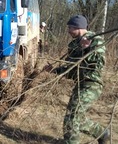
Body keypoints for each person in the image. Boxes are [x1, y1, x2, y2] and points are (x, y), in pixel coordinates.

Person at [43, 15, 109, 144]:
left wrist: (86, 49)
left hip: (92, 84)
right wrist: (54, 70)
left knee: (71, 119)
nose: (68, 30)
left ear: (77, 27)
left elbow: (98, 64)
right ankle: (101, 132)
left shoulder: (96, 40)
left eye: (70, 27)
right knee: (78, 118)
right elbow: (71, 69)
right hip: (79, 83)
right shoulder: (73, 44)